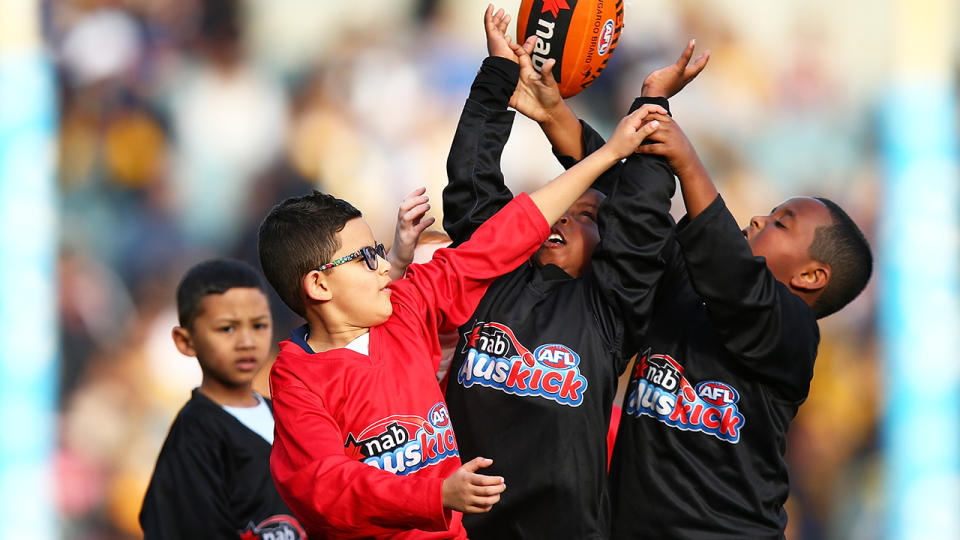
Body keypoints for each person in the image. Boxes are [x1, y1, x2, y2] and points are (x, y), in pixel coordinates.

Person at [255, 102, 664, 538]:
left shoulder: (406, 311)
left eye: (380, 252)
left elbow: (495, 242)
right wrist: (434, 495)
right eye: (366, 258)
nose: (384, 267)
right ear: (318, 285)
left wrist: (604, 154)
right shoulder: (298, 378)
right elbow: (325, 487)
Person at [437, 6, 707, 539]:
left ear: (611, 246)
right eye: (560, 208)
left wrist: (652, 101)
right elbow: (471, 184)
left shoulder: (610, 311)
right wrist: (498, 75)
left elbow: (641, 216)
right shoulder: (494, 280)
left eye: (586, 217)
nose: (562, 217)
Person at [600, 96, 873, 538]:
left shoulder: (793, 334)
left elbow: (734, 275)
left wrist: (688, 163)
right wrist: (561, 119)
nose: (759, 218)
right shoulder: (689, 285)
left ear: (810, 275)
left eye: (781, 224)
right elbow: (632, 210)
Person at [139, 259, 308, 539]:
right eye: (227, 328)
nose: (246, 341)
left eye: (258, 325)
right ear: (185, 341)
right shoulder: (195, 437)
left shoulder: (287, 414)